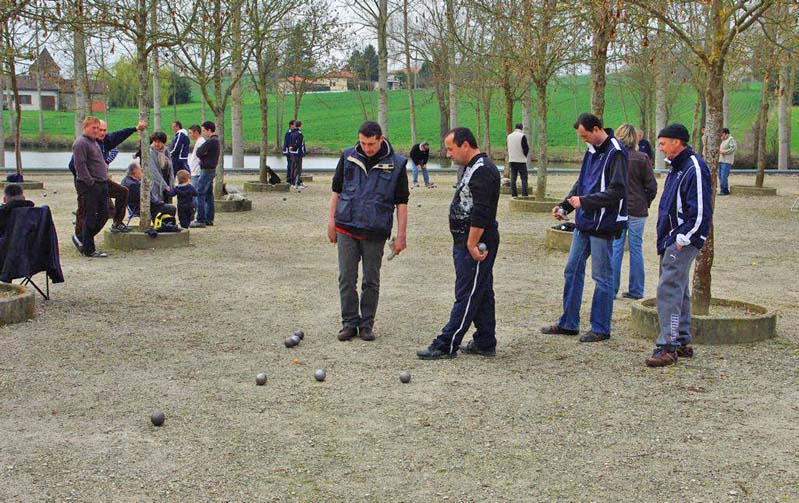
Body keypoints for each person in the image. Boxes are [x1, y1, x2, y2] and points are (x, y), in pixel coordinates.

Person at [541, 113, 628, 343]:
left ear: (597, 129)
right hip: (584, 223)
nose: (584, 140)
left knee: (602, 276)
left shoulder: (616, 153)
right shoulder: (591, 151)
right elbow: (582, 183)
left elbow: (618, 191)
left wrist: (586, 202)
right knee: (572, 269)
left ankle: (600, 327)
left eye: (585, 136)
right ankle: (569, 322)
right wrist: (565, 206)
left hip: (603, 225)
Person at [416, 127, 501, 360]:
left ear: (465, 145)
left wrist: (472, 243)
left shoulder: (482, 170)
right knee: (481, 290)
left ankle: (446, 343)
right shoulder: (472, 167)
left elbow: (482, 211)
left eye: (451, 149)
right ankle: (485, 340)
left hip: (475, 241)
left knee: (467, 293)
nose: (447, 154)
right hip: (467, 239)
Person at [327, 120, 408, 342]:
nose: (366, 148)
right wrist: (331, 221)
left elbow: (402, 202)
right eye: (362, 143)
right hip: (346, 226)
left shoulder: (397, 164)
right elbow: (336, 190)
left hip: (375, 231)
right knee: (346, 277)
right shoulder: (348, 156)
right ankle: (349, 323)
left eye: (371, 144)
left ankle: (367, 324)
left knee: (371, 280)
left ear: (381, 139)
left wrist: (401, 235)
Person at [646, 123, 712, 367]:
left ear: (677, 142)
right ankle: (682, 340)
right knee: (679, 288)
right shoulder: (678, 167)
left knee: (668, 289)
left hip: (682, 240)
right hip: (672, 238)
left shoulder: (693, 167)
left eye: (663, 143)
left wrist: (684, 238)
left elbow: (702, 209)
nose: (660, 149)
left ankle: (668, 345)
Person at [70, 118, 146, 235]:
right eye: (99, 130)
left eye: (104, 130)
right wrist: (88, 181)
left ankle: (117, 223)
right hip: (85, 182)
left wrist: (135, 129)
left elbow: (120, 135)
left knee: (122, 192)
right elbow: (73, 166)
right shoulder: (85, 144)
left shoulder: (106, 141)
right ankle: (80, 236)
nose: (101, 133)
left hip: (102, 180)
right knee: (84, 209)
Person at [611, 124, 657, 300]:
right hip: (638, 208)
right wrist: (646, 202)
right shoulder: (642, 158)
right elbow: (651, 186)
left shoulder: (615, 157)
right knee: (636, 249)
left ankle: (612, 289)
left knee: (616, 248)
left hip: (618, 208)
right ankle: (636, 289)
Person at [72, 116, 110, 258]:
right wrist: (90, 182)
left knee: (105, 213)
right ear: (85, 128)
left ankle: (82, 238)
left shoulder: (94, 142)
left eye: (97, 128)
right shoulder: (80, 143)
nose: (96, 131)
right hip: (90, 185)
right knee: (90, 216)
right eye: (93, 128)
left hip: (101, 183)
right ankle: (89, 249)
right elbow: (80, 166)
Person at [192, 121, 220, 228]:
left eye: (204, 130)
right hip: (211, 169)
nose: (203, 133)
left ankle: (200, 219)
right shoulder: (216, 141)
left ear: (209, 130)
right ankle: (209, 218)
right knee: (208, 194)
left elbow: (199, 152)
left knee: (200, 193)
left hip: (206, 170)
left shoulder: (211, 141)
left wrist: (203, 156)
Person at [149, 131, 175, 204]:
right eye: (155, 142)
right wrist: (164, 185)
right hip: (156, 184)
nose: (157, 144)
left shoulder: (166, 151)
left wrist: (172, 183)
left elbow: (171, 168)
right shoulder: (150, 152)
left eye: (159, 142)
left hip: (166, 180)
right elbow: (153, 171)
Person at [506, 123, 530, 197]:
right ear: (521, 128)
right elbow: (525, 148)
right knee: (524, 178)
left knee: (513, 178)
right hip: (521, 160)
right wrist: (525, 155)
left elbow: (507, 147)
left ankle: (514, 194)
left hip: (512, 160)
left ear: (515, 128)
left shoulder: (509, 136)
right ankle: (524, 194)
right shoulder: (522, 136)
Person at [288, 120, 307, 189]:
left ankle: (293, 182)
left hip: (292, 153)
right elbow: (299, 145)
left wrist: (291, 149)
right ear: (301, 125)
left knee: (293, 168)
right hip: (298, 154)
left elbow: (290, 144)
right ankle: (296, 184)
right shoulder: (299, 134)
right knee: (298, 169)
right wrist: (303, 152)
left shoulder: (291, 133)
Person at [718, 127, 736, 196]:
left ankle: (724, 190)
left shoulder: (730, 139)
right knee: (720, 176)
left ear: (726, 134)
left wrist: (723, 152)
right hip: (722, 160)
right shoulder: (724, 140)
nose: (721, 136)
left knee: (723, 176)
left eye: (722, 135)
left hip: (727, 161)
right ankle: (723, 189)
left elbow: (732, 148)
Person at [283, 119, 296, 185]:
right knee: (290, 165)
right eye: (294, 124)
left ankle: (292, 179)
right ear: (291, 125)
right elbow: (286, 142)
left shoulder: (294, 132)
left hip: (293, 152)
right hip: (289, 152)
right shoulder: (288, 132)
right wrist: (286, 151)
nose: (295, 125)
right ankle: (289, 179)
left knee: (293, 165)